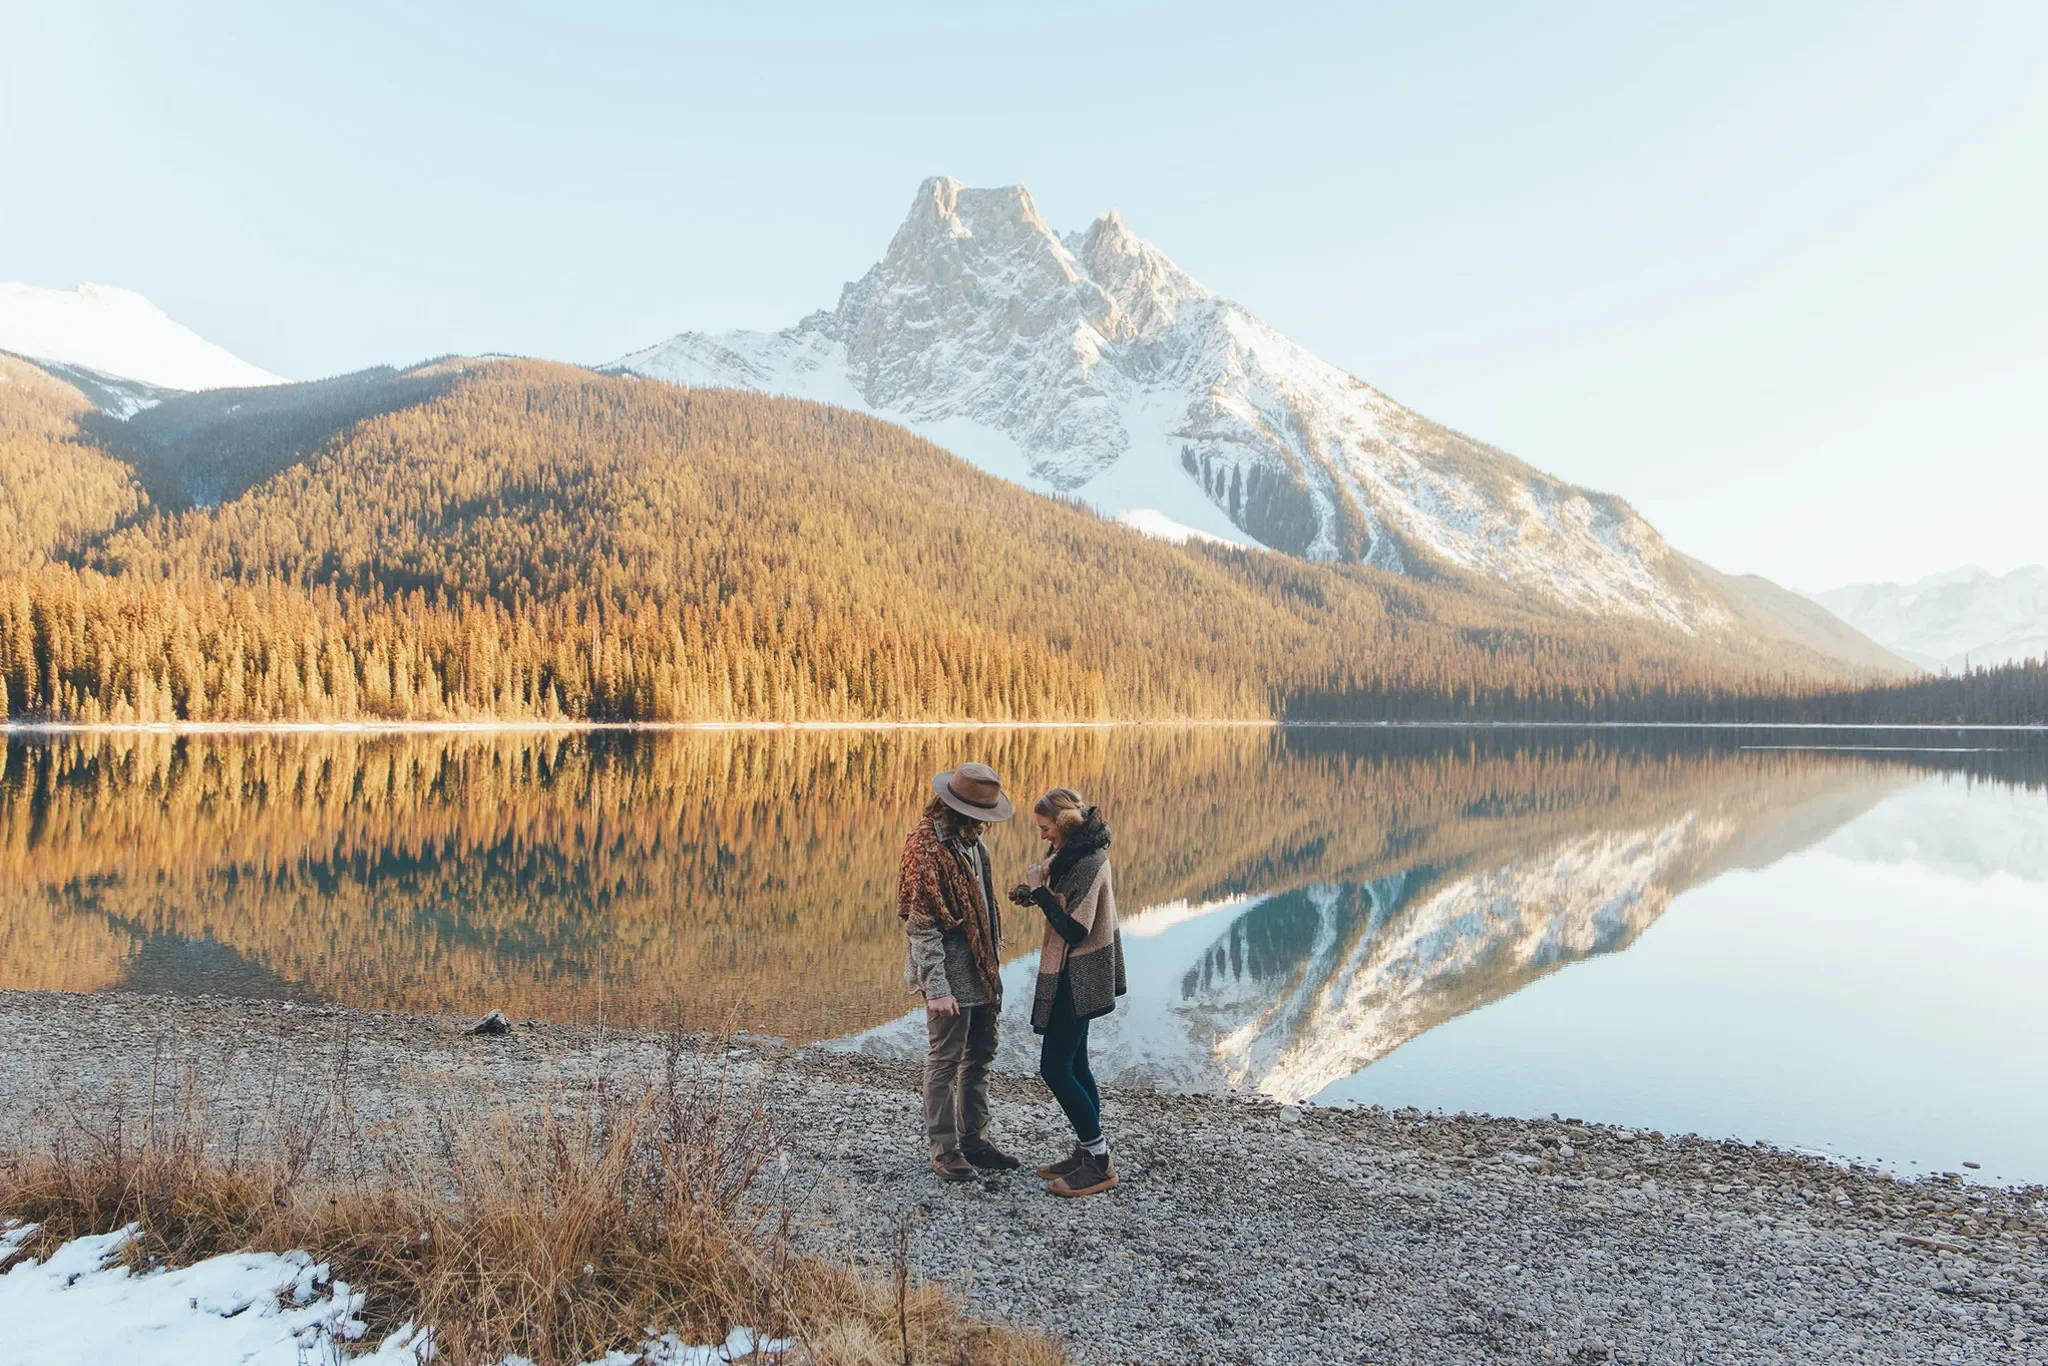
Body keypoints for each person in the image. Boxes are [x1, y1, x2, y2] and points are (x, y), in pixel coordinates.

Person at [898, 761, 1021, 1182]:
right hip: (949, 978)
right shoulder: (925, 848)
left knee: (981, 1056)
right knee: (946, 1061)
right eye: (979, 817)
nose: (985, 825)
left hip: (982, 971)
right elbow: (921, 926)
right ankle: (945, 1150)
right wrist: (936, 989)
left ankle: (975, 1140)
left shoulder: (973, 843)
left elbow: (985, 907)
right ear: (957, 807)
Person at [1012, 787, 1126, 1197]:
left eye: (1045, 828)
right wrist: (1035, 893)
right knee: (1076, 1063)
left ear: (1061, 824)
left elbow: (1075, 929)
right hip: (1075, 973)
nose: (1042, 835)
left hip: (1080, 975)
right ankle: (1087, 1150)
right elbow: (1069, 903)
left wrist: (1041, 893)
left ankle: (1098, 1161)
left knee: (1055, 1068)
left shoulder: (1090, 863)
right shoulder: (1074, 856)